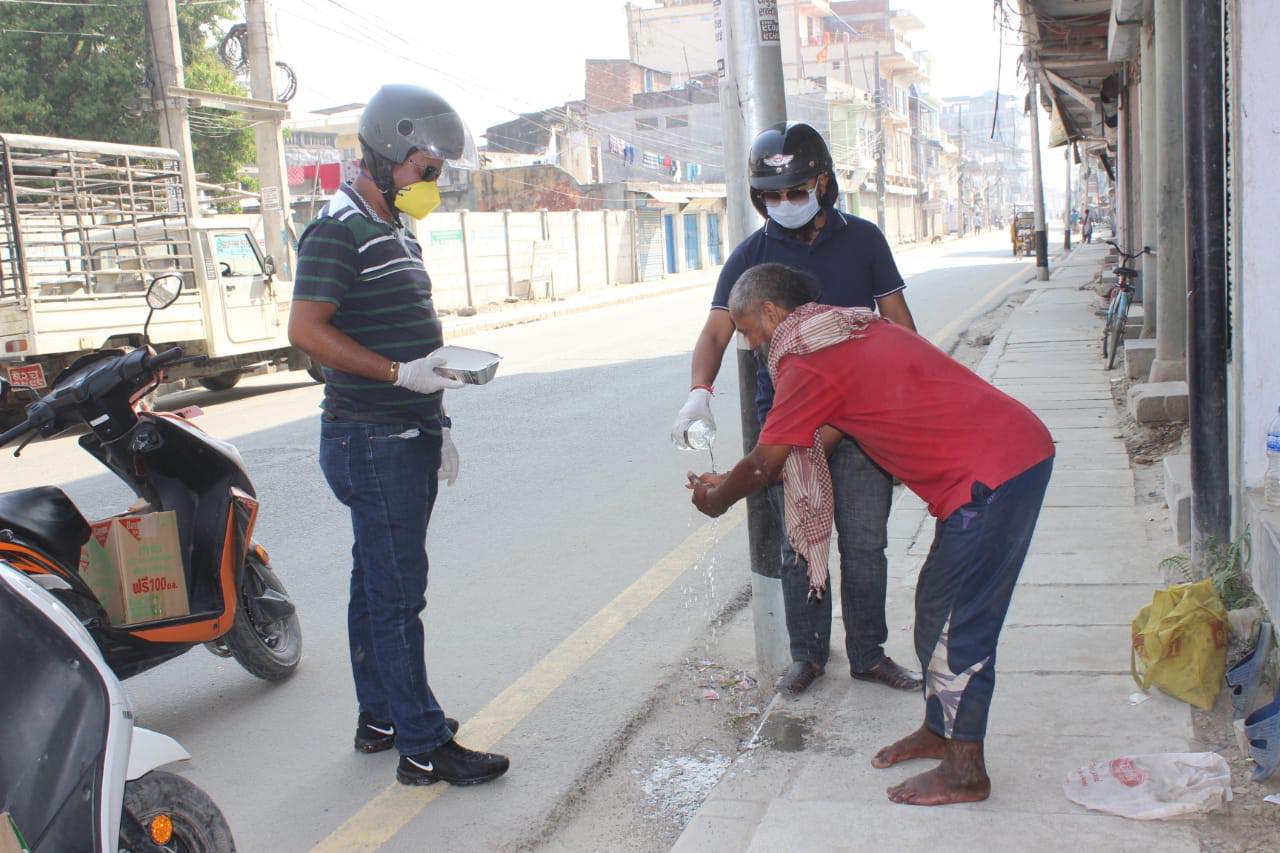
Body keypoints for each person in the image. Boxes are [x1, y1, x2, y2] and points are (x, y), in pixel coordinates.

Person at [687, 263, 1054, 806]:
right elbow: (815, 441)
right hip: (1000, 458)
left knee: (959, 622)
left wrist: (718, 498)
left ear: (769, 312)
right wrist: (746, 469)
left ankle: (966, 772)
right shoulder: (843, 329)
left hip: (994, 475)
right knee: (935, 606)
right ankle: (940, 729)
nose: (751, 344)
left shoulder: (805, 358)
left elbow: (767, 465)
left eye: (747, 331)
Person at [288, 84, 509, 788]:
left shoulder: (391, 228)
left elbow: (407, 329)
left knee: (371, 582)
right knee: (395, 593)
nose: (432, 183)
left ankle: (380, 716)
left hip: (403, 431)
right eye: (427, 168)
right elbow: (306, 332)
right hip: (373, 437)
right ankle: (422, 743)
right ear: (387, 153)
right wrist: (398, 374)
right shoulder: (337, 228)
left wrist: (434, 408)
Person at [672, 121, 921, 696]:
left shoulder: (863, 241)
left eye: (795, 190)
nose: (783, 203)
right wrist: (698, 392)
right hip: (788, 423)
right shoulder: (751, 256)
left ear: (822, 183)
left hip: (860, 425)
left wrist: (908, 402)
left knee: (864, 544)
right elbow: (714, 333)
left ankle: (869, 654)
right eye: (771, 195)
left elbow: (901, 326)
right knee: (798, 544)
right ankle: (807, 655)